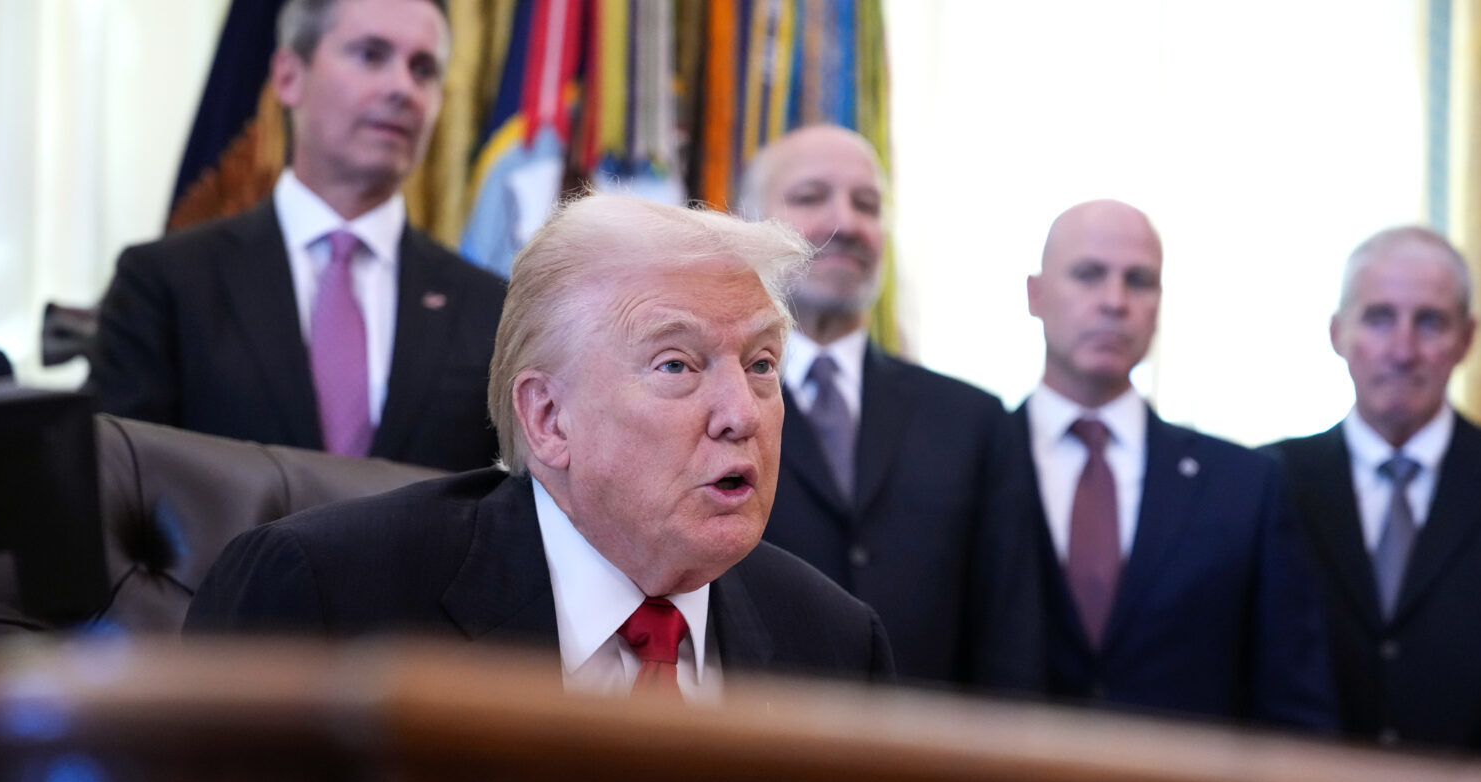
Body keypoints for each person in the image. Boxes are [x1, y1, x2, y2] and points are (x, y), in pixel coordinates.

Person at [186, 194, 895, 697]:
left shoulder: (835, 647)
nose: (741, 413)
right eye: (676, 365)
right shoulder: (324, 600)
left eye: (761, 365)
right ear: (549, 418)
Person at [88, 0, 505, 471]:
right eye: (371, 55)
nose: (401, 88)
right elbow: (116, 495)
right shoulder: (165, 285)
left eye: (423, 68)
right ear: (289, 76)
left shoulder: (490, 308)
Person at [980, 199, 1336, 729]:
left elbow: (1294, 705)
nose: (1114, 301)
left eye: (1139, 281)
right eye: (1088, 275)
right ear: (1035, 294)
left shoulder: (1245, 487)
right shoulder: (970, 465)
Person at [736, 125, 1032, 689]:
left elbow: (1009, 637)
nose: (844, 223)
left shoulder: (976, 422)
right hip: (756, 751)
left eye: (867, 204)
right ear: (750, 224)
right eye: (810, 197)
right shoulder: (704, 409)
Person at [1267, 227, 1481, 761]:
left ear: (1467, 339)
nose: (1403, 351)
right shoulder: (1265, 482)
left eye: (1430, 322)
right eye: (1379, 319)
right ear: (1338, 333)